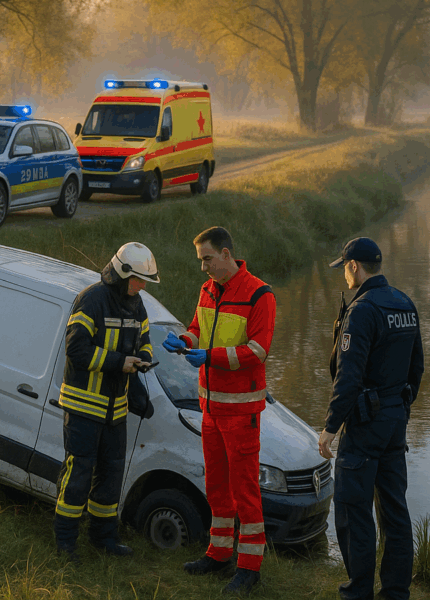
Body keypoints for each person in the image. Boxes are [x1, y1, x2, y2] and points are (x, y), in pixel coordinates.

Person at [162, 226, 276, 596]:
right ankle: (218, 554)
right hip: (210, 408)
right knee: (216, 488)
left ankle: (249, 568)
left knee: (245, 491)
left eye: (207, 259)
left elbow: (258, 351)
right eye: (201, 260)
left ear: (227, 254)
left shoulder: (260, 294)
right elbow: (197, 328)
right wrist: (182, 341)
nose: (203, 267)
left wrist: (208, 356)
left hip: (241, 412)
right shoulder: (208, 290)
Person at [318, 237, 424, 600]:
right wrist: (398, 409)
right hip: (396, 421)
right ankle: (395, 593)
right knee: (395, 510)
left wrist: (331, 427)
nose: (344, 275)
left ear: (353, 267)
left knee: (353, 509)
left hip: (364, 424)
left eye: (344, 268)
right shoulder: (404, 303)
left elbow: (348, 377)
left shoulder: (362, 310)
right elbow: (416, 369)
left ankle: (358, 592)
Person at [53, 242, 157, 564]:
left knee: (111, 476)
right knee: (79, 474)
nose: (141, 287)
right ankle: (66, 545)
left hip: (116, 411)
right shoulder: (91, 299)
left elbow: (146, 343)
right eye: (138, 280)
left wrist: (143, 360)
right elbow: (76, 350)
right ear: (122, 274)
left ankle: (104, 539)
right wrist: (118, 363)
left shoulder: (137, 305)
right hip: (84, 408)